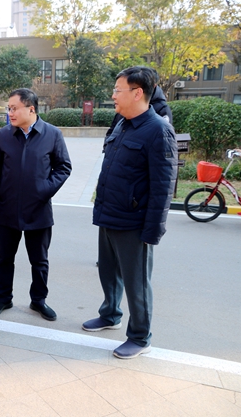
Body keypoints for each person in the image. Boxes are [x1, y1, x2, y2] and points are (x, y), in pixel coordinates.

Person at [84, 66, 178, 359]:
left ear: (137, 93)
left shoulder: (158, 130)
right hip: (110, 214)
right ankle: (110, 314)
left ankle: (139, 337)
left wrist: (153, 230)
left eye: (117, 90)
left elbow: (163, 186)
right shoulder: (122, 124)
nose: (112, 95)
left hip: (134, 222)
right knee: (108, 272)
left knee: (137, 283)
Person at [0, 88, 72, 322]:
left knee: (39, 260)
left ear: (31, 109)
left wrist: (44, 190)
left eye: (14, 108)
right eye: (9, 109)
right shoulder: (5, 135)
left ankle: (39, 300)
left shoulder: (52, 134)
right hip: (8, 208)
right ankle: (3, 297)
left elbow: (63, 167)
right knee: (5, 257)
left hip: (38, 209)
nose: (10, 113)